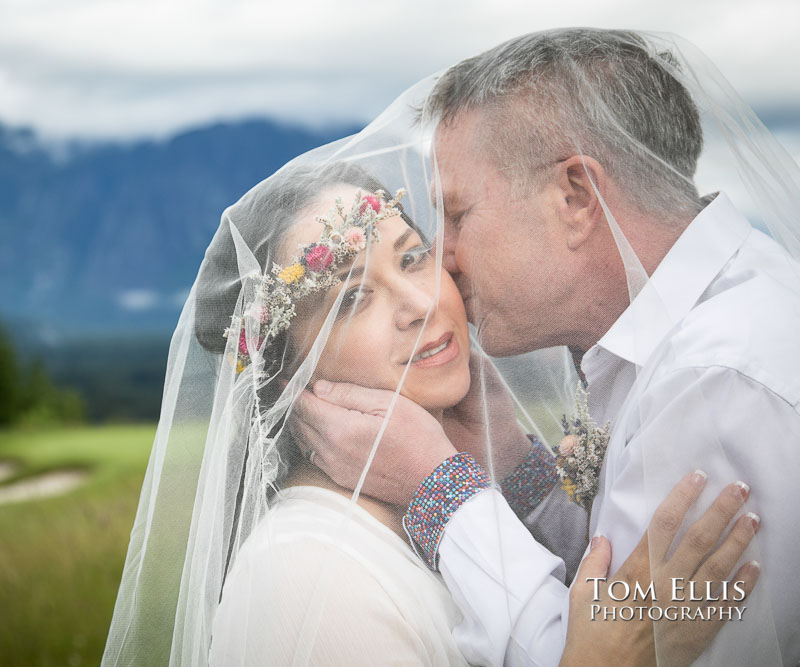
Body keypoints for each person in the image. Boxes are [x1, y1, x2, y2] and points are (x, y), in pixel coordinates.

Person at [101, 76, 760, 663]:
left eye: (414, 258)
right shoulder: (307, 575)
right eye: (353, 297)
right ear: (286, 375)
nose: (420, 303)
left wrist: (513, 474)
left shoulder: (441, 512)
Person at [300, 28, 800, 666]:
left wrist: (438, 487)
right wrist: (513, 467)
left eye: (457, 215)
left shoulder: (713, 386)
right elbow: (611, 597)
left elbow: (599, 656)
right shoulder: (720, 320)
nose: (444, 262)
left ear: (575, 198)